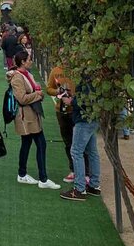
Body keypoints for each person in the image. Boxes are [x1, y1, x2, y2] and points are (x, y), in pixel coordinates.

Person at [8, 51, 60, 190]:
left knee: (27, 143)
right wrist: (37, 95)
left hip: (32, 114)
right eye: (29, 59)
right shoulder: (17, 78)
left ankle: (23, 173)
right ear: (23, 62)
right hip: (26, 116)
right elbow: (21, 98)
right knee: (40, 144)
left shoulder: (27, 74)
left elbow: (34, 90)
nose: (31, 61)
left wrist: (37, 94)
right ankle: (42, 178)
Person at [60, 75, 102, 201]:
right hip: (92, 118)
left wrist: (71, 101)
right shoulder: (95, 76)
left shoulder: (86, 78)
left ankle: (79, 189)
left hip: (84, 121)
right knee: (92, 152)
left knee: (76, 152)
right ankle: (94, 185)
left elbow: (86, 101)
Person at [46, 61, 77, 182]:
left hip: (76, 110)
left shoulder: (77, 70)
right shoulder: (56, 71)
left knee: (79, 143)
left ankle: (85, 172)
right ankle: (73, 169)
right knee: (68, 141)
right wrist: (58, 92)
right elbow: (49, 89)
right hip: (61, 111)